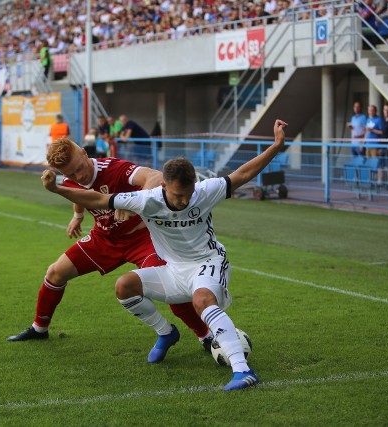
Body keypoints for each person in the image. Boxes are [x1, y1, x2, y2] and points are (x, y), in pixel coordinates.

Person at [40, 119, 288, 391]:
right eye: (178, 195)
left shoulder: (204, 191)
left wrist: (275, 147)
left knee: (202, 300)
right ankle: (166, 332)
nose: (184, 201)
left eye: (188, 193)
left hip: (208, 262)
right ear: (165, 188)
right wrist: (56, 190)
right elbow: (97, 200)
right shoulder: (148, 200)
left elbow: (243, 174)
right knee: (124, 286)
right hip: (174, 269)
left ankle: (243, 371)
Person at [8, 137, 212, 351]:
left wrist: (135, 202)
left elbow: (155, 176)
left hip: (142, 239)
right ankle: (39, 329)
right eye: (71, 174)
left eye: (79, 168)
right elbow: (80, 192)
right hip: (104, 239)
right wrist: (78, 216)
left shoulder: (115, 168)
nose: (79, 176)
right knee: (55, 273)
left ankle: (206, 336)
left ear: (85, 154)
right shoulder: (71, 180)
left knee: (168, 285)